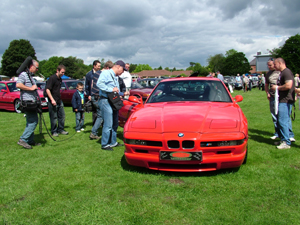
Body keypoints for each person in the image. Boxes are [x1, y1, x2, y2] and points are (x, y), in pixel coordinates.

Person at [96, 60, 129, 151]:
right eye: (123, 70)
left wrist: (122, 93)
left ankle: (113, 142)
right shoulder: (106, 73)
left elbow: (116, 90)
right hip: (105, 100)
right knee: (108, 123)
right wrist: (111, 89)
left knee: (115, 123)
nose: (122, 72)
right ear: (118, 67)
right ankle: (105, 144)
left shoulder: (115, 77)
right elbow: (99, 84)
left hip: (113, 101)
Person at [270, 58, 295, 149]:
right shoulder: (283, 73)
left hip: (285, 100)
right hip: (283, 100)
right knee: (282, 121)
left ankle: (286, 142)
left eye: (275, 64)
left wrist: (277, 87)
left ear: (280, 63)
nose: (274, 66)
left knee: (282, 121)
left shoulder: (286, 72)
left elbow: (288, 85)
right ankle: (283, 139)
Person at [16, 60, 41, 149]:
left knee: (30, 121)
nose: (37, 70)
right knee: (34, 121)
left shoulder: (30, 75)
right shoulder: (23, 74)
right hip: (27, 103)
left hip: (32, 102)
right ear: (32, 66)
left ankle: (30, 141)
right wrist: (30, 88)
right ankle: (23, 139)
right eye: (37, 67)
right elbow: (18, 84)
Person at [45, 65, 68, 137]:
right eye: (62, 72)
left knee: (62, 116)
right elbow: (47, 89)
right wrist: (52, 100)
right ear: (57, 70)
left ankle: (61, 129)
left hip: (59, 100)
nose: (63, 74)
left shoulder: (60, 79)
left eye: (64, 73)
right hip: (52, 100)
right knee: (54, 117)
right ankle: (54, 131)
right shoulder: (52, 78)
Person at [85, 60, 102, 139]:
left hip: (97, 95)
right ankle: (94, 129)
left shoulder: (100, 73)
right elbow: (87, 85)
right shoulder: (89, 74)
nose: (99, 67)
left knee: (98, 113)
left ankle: (96, 127)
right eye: (98, 66)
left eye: (100, 66)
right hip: (93, 95)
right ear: (94, 66)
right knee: (96, 112)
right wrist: (88, 94)